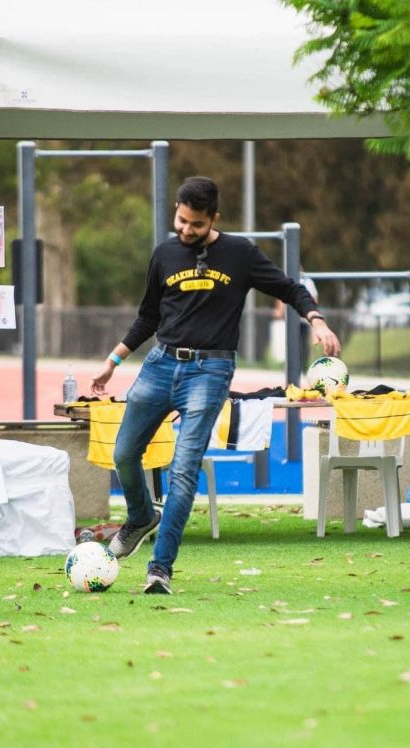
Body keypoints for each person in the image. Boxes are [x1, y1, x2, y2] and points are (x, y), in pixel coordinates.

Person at [91, 176, 340, 594]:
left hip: (210, 372)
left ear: (214, 219)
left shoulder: (239, 253)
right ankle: (139, 517)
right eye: (182, 220)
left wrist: (315, 318)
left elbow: (288, 287)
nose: (186, 230)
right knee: (124, 453)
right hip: (159, 365)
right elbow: (148, 317)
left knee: (184, 470)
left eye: (197, 224)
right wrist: (113, 361)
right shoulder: (164, 253)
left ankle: (160, 569)